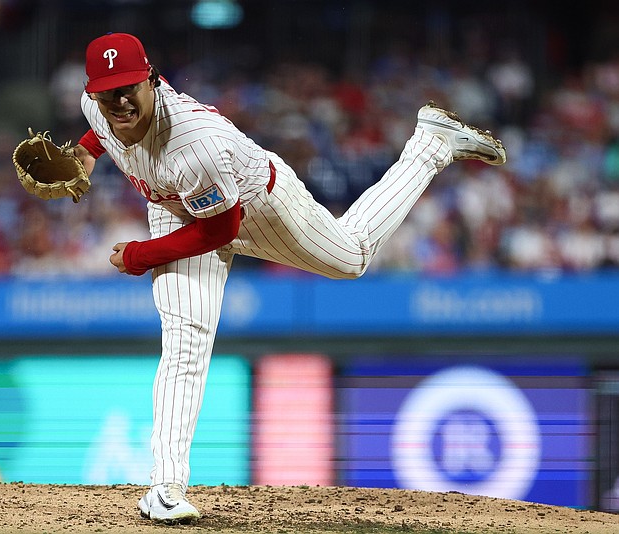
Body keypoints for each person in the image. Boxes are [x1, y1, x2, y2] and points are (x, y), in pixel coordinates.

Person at [71, 32, 506, 523]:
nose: (121, 100)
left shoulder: (195, 144)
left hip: (259, 206)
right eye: (110, 92)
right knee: (185, 340)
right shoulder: (96, 106)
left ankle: (430, 145)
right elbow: (100, 133)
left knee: (353, 257)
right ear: (93, 92)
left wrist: (140, 256)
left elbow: (219, 228)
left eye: (131, 86)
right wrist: (84, 158)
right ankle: (166, 489)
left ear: (152, 80)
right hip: (177, 208)